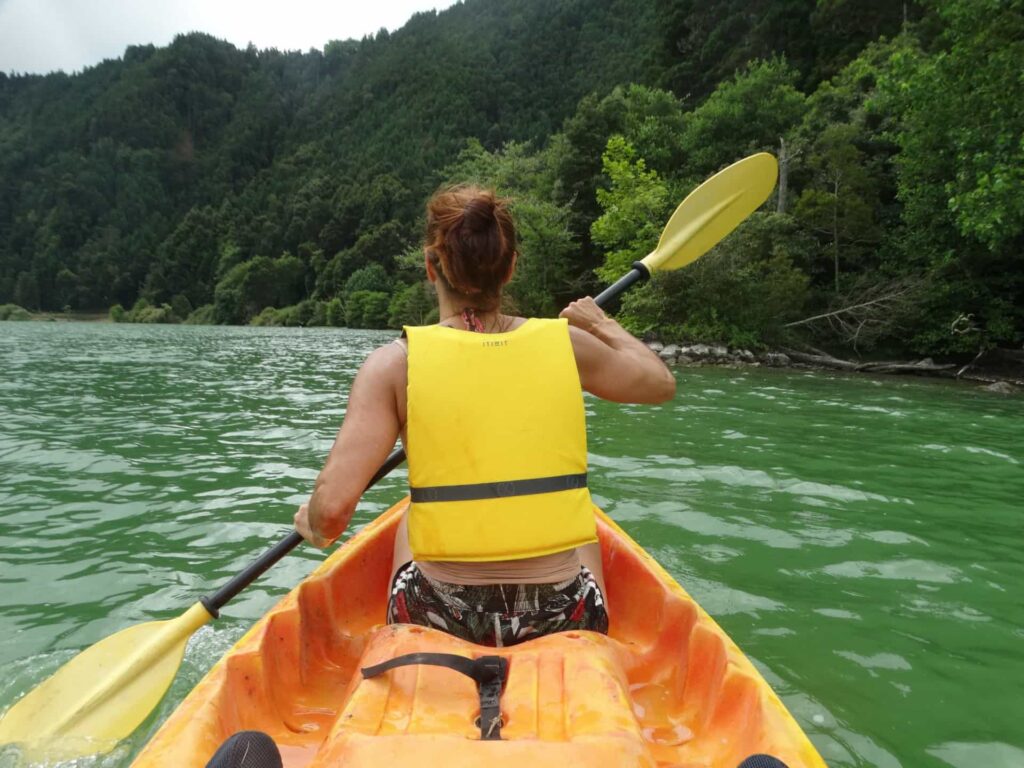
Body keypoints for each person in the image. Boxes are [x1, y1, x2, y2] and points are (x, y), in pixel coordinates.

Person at [294, 185, 675, 647]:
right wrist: (601, 323)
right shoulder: (568, 346)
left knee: (411, 517)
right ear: (511, 267)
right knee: (585, 527)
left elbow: (332, 514)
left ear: (430, 266)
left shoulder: (395, 364)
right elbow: (659, 383)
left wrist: (312, 524)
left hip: (438, 614)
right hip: (562, 614)